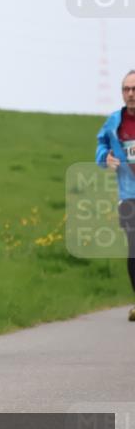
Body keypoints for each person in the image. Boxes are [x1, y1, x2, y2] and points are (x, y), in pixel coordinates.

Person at [95, 69, 135, 321]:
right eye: (126, 89)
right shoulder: (113, 122)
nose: (130, 94)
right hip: (129, 195)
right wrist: (105, 158)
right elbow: (101, 147)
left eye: (134, 89)